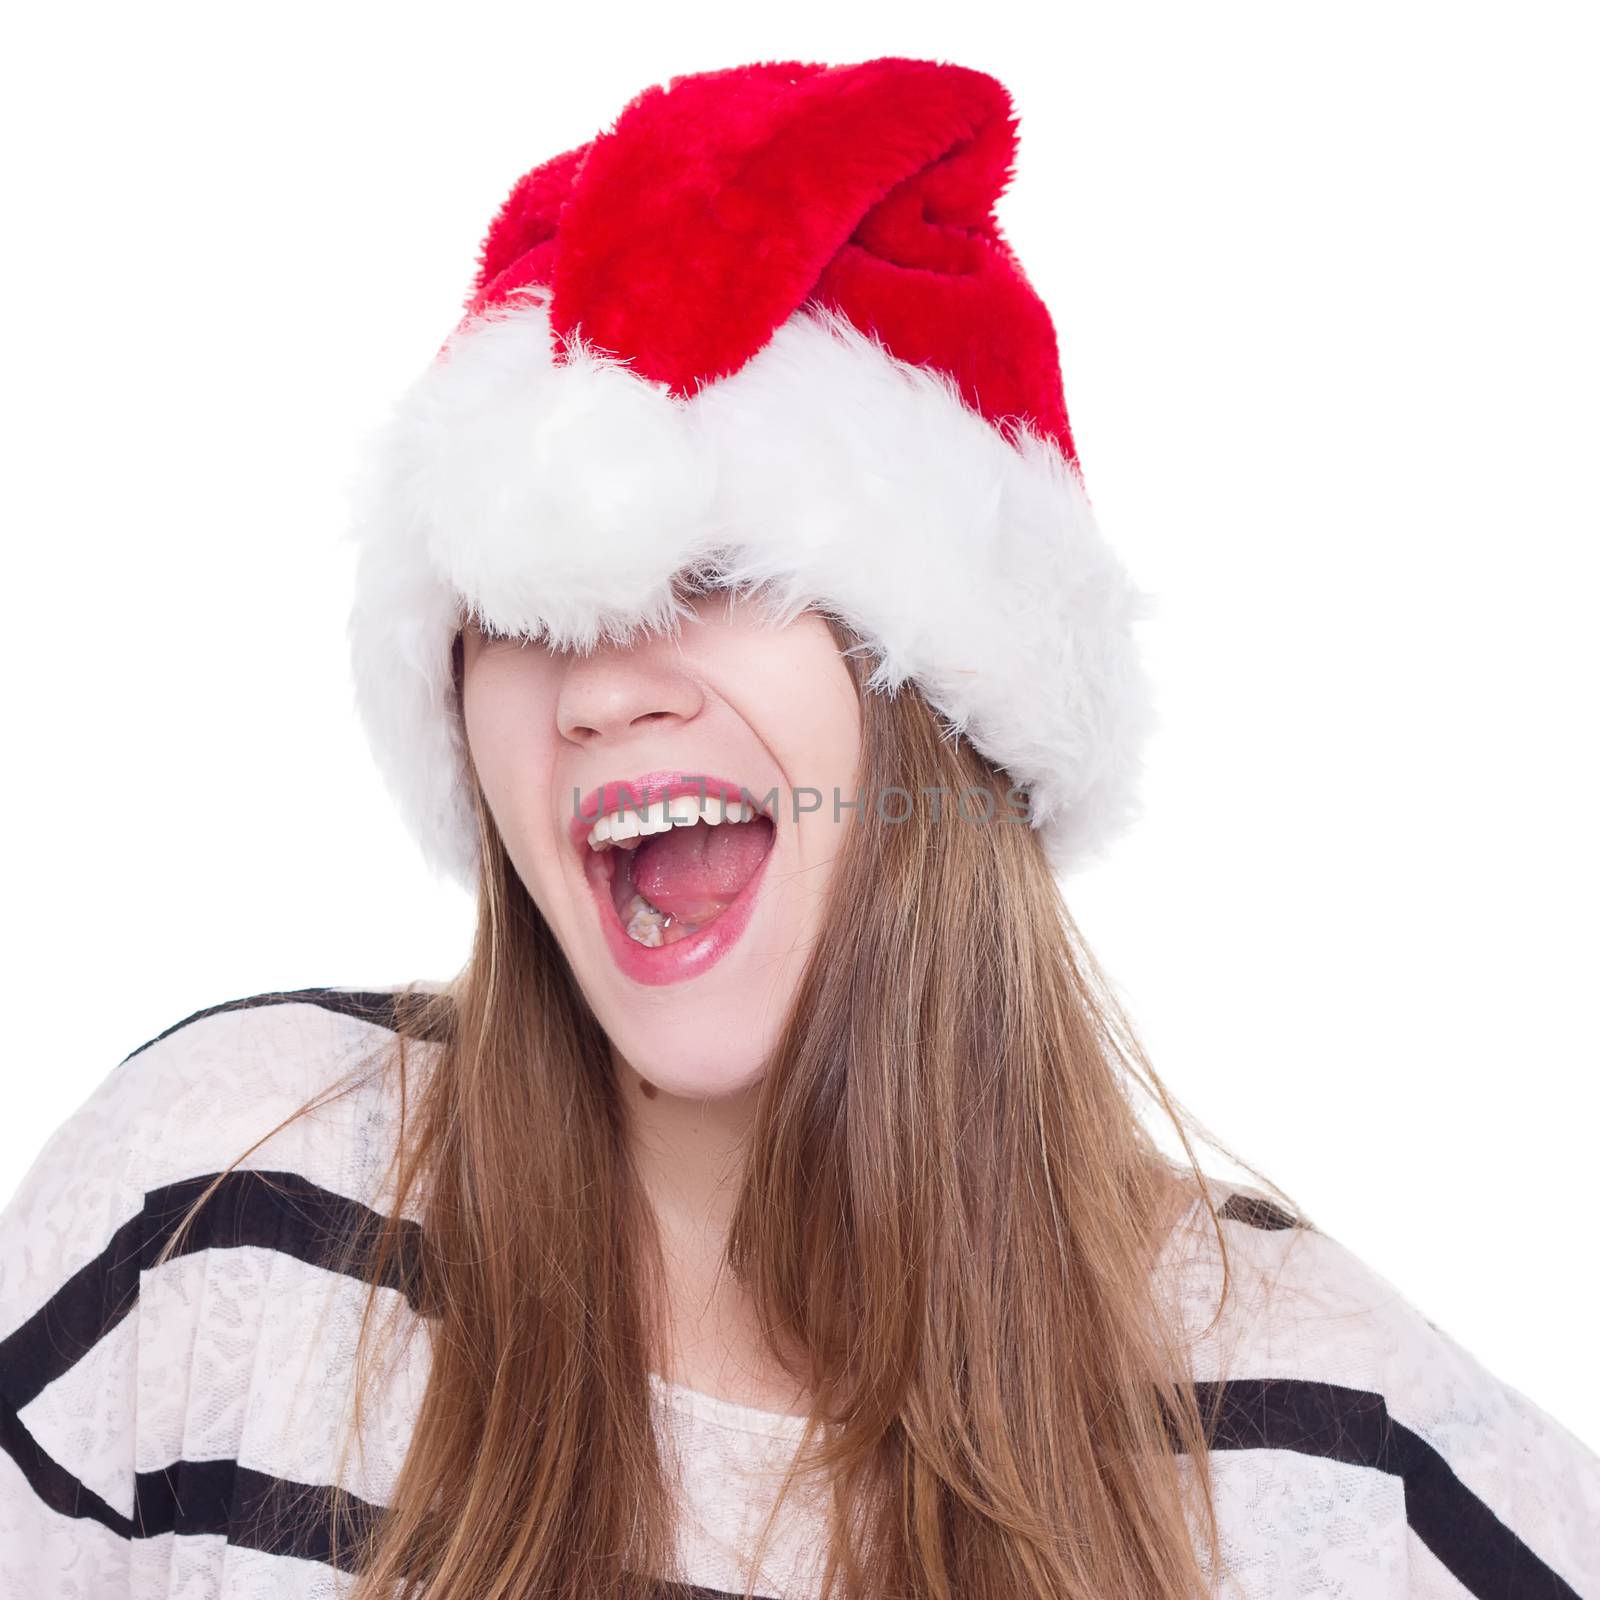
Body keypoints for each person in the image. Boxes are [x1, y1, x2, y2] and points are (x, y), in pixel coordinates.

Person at [1, 54, 1595, 1600]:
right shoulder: (221, 1209)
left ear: (946, 700)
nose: (601, 696)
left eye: (721, 573)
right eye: (521, 609)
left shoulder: (1320, 1443)